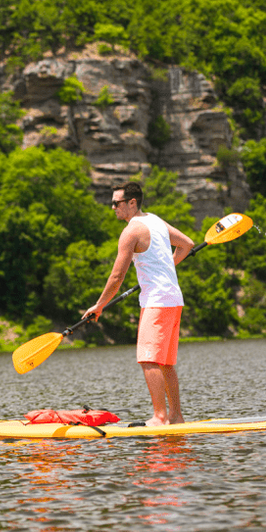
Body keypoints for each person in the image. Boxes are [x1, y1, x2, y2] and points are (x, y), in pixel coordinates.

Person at [83, 181, 194, 427]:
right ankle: (176, 417)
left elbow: (116, 277)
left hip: (156, 302)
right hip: (174, 299)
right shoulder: (156, 221)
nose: (112, 207)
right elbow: (187, 244)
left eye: (116, 203)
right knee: (165, 363)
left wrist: (99, 306)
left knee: (148, 359)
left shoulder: (131, 231)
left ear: (132, 203)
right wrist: (165, 267)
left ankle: (159, 417)